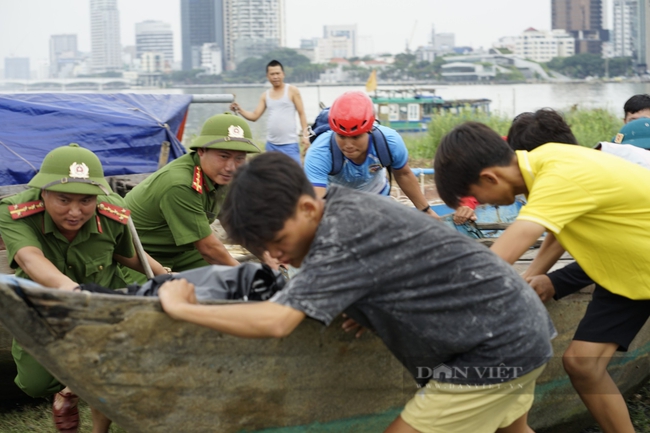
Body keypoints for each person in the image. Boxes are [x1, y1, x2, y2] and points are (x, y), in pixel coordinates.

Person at [158, 152, 556, 433]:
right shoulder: (340, 208)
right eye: (264, 250)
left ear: (308, 209)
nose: (275, 256)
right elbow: (389, 266)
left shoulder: (338, 238)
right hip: (519, 325)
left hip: (494, 347)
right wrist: (367, 305)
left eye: (279, 241)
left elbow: (278, 321)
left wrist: (185, 307)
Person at [433, 122, 650, 433]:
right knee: (583, 364)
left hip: (638, 258)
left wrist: (434, 299)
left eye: (477, 198)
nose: (483, 206)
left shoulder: (558, 175)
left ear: (490, 177)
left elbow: (508, 247)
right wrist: (530, 276)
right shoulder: (544, 161)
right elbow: (557, 229)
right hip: (627, 268)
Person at [0, 143, 168, 433]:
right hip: (43, 305)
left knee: (106, 363)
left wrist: (167, 276)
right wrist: (76, 295)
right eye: (64, 200)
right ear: (44, 193)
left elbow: (128, 254)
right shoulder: (15, 212)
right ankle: (66, 387)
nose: (75, 212)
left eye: (86, 201)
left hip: (103, 301)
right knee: (35, 383)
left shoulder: (113, 211)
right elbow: (30, 258)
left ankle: (82, 402)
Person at [506, 109, 650, 302]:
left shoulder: (570, 173)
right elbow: (561, 229)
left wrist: (549, 280)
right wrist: (530, 276)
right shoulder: (590, 160)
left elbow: (615, 248)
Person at [124, 113, 261, 281]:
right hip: (139, 254)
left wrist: (270, 259)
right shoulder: (180, 184)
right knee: (147, 299)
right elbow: (208, 249)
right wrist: (248, 277)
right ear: (202, 150)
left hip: (181, 251)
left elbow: (234, 224)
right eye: (223, 156)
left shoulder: (222, 177)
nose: (231, 167)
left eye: (239, 158)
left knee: (227, 280)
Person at [304, 91, 439, 218]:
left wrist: (426, 210)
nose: (348, 144)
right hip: (334, 198)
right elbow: (317, 205)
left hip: (377, 193)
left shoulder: (390, 142)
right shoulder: (320, 152)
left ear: (369, 130)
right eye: (342, 136)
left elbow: (403, 174)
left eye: (356, 137)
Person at [229, 60, 310, 165]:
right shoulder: (265, 95)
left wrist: (305, 136)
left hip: (290, 144)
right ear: (267, 76)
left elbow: (302, 113)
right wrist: (239, 110)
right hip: (271, 145)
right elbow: (254, 116)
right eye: (272, 74)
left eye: (278, 73)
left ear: (283, 74)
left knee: (295, 176)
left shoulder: (292, 90)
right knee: (272, 177)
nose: (275, 77)